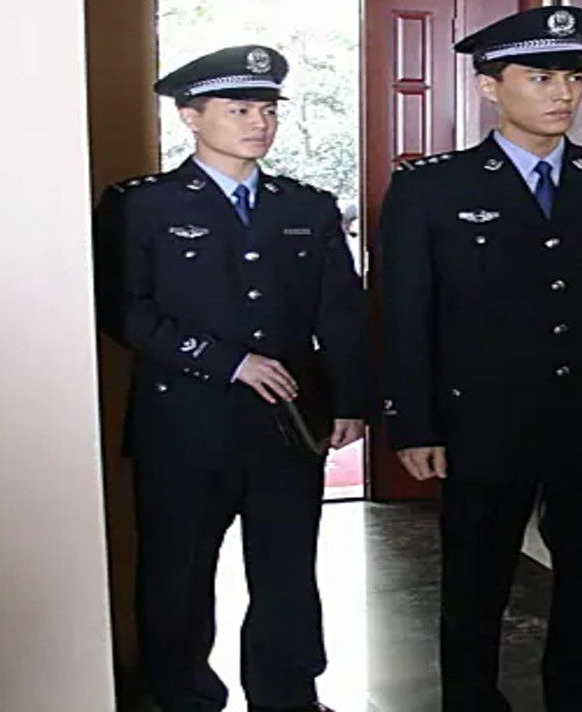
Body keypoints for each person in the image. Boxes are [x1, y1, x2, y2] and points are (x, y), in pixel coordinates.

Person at [378, 6, 582, 712]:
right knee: (475, 585)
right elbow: (403, 313)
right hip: (482, 422)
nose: (562, 93)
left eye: (573, 77)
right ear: (490, 87)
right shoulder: (432, 187)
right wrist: (414, 423)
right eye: (540, 78)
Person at [93, 45, 372, 712]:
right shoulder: (142, 206)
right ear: (191, 116)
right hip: (183, 424)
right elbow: (124, 311)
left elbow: (341, 312)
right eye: (239, 109)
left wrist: (352, 400)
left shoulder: (306, 206)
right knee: (179, 574)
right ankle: (182, 695)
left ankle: (287, 694)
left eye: (268, 110)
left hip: (287, 425)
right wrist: (227, 361)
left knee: (287, 571)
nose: (259, 123)